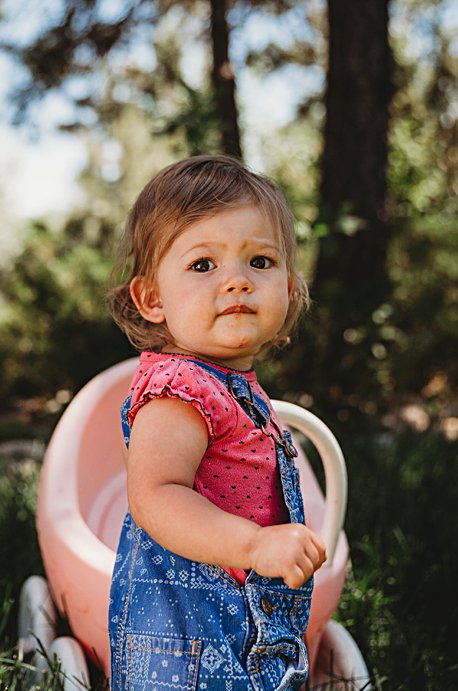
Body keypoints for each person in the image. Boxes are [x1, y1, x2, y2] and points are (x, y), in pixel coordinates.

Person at [105, 155, 326, 690]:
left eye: (261, 262)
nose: (237, 282)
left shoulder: (232, 384)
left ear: (289, 289)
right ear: (152, 298)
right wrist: (253, 545)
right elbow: (156, 493)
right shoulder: (179, 388)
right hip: (186, 636)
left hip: (238, 621)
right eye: (204, 265)